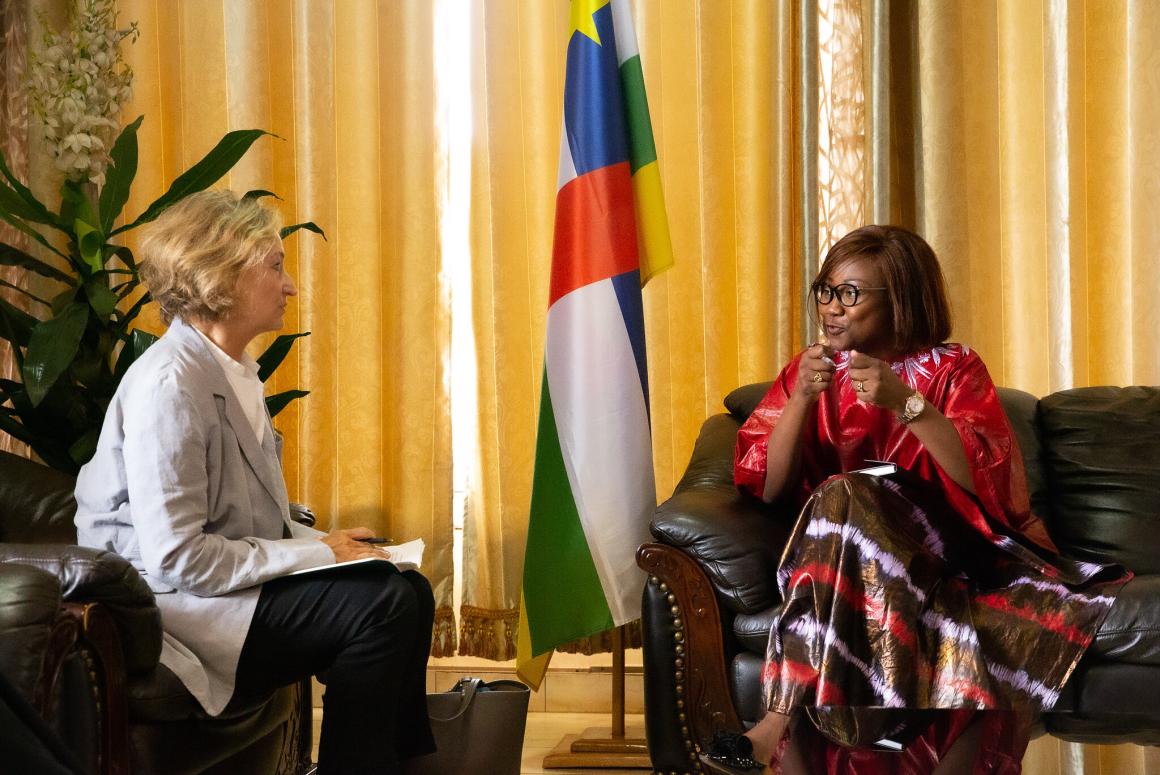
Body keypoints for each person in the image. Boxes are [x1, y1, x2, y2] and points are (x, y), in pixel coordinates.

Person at [703, 225, 1131, 775]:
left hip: (946, 552)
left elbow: (982, 477)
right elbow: (767, 486)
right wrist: (801, 400)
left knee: (847, 489)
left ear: (900, 299)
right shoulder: (809, 371)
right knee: (841, 500)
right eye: (826, 290)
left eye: (851, 293)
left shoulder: (953, 368)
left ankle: (774, 722)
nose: (832, 308)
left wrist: (906, 402)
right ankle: (790, 727)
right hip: (841, 563)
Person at [74, 190, 435, 774]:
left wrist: (329, 545)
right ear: (219, 276)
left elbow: (241, 519)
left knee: (406, 587)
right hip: (170, 607)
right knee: (382, 606)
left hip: (217, 589)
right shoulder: (170, 386)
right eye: (275, 266)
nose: (290, 286)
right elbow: (176, 558)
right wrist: (318, 552)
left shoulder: (231, 371)